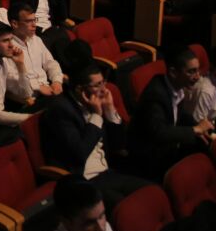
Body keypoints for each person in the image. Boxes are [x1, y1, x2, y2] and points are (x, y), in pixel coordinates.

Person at [40, 63, 147, 210]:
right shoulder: (60, 110)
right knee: (127, 208)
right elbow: (80, 152)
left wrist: (109, 109)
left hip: (107, 172)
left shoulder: (97, 100)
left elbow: (120, 144)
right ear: (80, 89)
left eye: (103, 82)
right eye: (97, 85)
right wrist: (96, 116)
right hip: (85, 180)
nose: (103, 89)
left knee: (150, 191)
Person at [129, 46, 211, 178]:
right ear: (173, 72)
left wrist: (199, 128)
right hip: (149, 159)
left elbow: (180, 114)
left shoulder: (177, 85)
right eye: (192, 72)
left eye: (197, 70)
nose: (197, 76)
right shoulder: (155, 95)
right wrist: (195, 130)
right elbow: (159, 132)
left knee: (206, 145)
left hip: (168, 148)